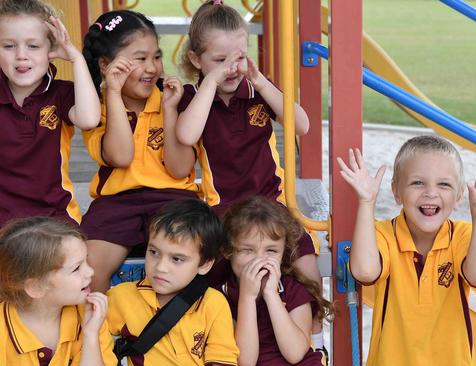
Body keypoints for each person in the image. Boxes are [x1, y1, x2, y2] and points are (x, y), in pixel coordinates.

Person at [175, 0, 325, 353]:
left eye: (238, 58)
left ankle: (314, 342)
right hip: (225, 210)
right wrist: (210, 83)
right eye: (219, 60)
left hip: (271, 204)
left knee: (306, 264)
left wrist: (258, 79)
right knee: (213, 276)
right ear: (197, 60)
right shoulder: (194, 97)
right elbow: (186, 134)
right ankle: (225, 344)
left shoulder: (257, 90)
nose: (231, 68)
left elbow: (301, 125)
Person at [337, 135, 476, 365]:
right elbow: (365, 272)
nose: (430, 193)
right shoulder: (384, 233)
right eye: (418, 183)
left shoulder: (462, 235)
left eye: (444, 184)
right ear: (396, 191)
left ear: (458, 196)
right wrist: (367, 203)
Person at [81, 9, 201, 292]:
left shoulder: (175, 99)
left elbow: (180, 168)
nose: (152, 68)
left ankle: (178, 332)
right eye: (140, 59)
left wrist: (170, 111)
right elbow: (121, 157)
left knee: (186, 265)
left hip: (174, 199)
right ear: (106, 65)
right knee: (87, 271)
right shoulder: (94, 108)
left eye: (156, 57)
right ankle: (95, 334)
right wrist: (112, 93)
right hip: (117, 203)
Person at [0, 0, 101, 228]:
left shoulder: (60, 93)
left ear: (51, 50)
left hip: (54, 217)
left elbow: (89, 119)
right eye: (8, 46)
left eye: (33, 46)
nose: (21, 55)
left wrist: (76, 58)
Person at [106, 199, 239, 365]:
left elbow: (222, 359)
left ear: (204, 264)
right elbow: (96, 347)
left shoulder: (214, 304)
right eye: (154, 252)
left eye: (176, 259)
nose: (161, 267)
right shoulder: (120, 297)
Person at [218, 196, 333, 366]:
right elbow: (245, 361)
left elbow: (295, 353)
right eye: (247, 250)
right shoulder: (220, 297)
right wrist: (247, 299)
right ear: (228, 251)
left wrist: (271, 294)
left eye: (271, 250)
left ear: (282, 253)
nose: (259, 260)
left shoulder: (294, 290)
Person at [0, 217, 116, 365]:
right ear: (36, 287)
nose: (90, 272)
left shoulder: (91, 318)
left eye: (86, 261)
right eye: (76, 268)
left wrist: (90, 336)